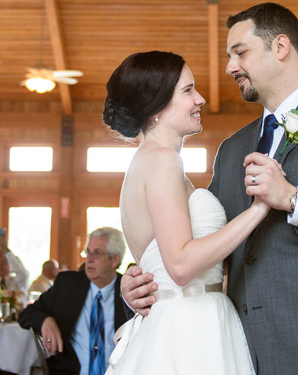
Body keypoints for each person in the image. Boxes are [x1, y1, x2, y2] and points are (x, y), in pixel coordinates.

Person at [122, 3, 298, 374]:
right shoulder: (231, 150)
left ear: (280, 47)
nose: (229, 67)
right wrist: (142, 281)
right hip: (245, 349)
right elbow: (202, 243)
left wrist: (294, 199)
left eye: (240, 52)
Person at [101, 50, 267, 374]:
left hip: (183, 316)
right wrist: (260, 208)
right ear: (155, 107)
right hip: (188, 326)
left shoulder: (149, 160)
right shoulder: (162, 160)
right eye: (188, 91)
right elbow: (180, 265)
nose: (200, 99)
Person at [19, 228, 135, 375]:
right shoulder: (67, 284)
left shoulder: (128, 289)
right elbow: (26, 314)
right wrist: (45, 320)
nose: (89, 259)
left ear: (115, 260)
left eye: (97, 253)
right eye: (88, 252)